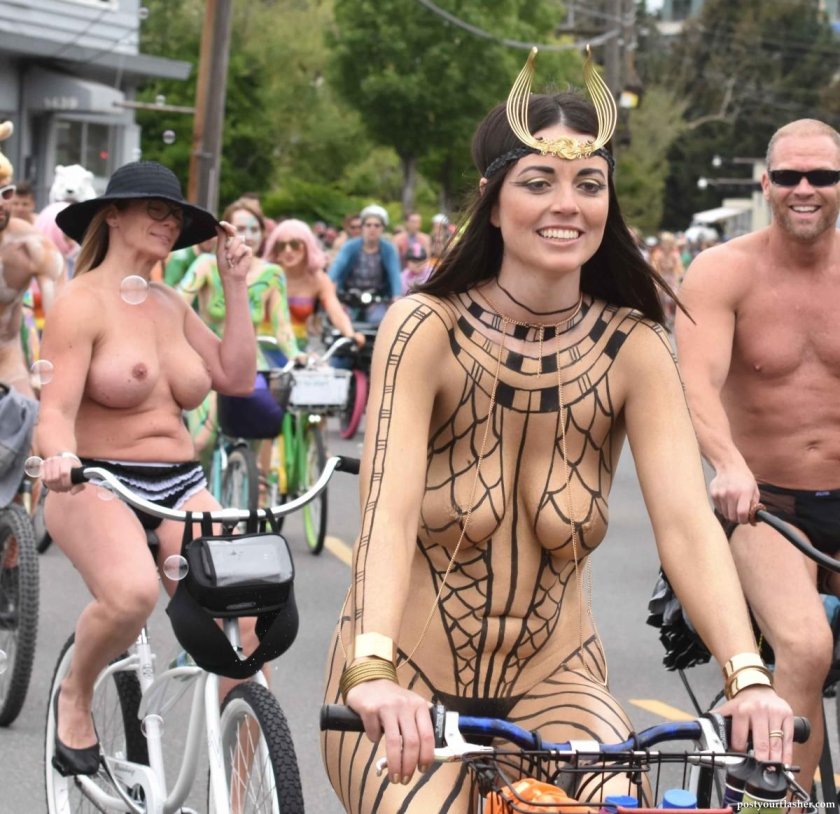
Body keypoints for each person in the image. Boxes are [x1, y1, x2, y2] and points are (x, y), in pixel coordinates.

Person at [321, 49, 794, 813]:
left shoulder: (634, 346)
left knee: (616, 805)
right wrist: (371, 671)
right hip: (406, 682)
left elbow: (685, 523)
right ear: (493, 199)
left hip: (559, 683)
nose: (566, 204)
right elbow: (388, 510)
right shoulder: (425, 328)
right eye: (538, 181)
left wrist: (748, 676)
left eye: (589, 183)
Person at [35, 160, 256, 777]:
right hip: (95, 480)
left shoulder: (170, 302)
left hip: (180, 485)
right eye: (155, 209)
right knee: (131, 594)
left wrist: (234, 287)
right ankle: (74, 693)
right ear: (114, 214)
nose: (169, 221)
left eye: (177, 215)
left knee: (251, 604)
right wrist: (61, 456)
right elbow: (54, 410)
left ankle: (246, 766)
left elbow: (235, 377)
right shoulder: (80, 302)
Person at [674, 117, 840, 794]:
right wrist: (728, 464)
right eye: (790, 176)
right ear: (765, 183)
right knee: (804, 645)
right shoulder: (722, 271)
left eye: (822, 176)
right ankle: (783, 810)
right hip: (766, 507)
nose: (806, 189)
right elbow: (695, 383)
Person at [0, 137, 64, 398]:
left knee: (34, 433)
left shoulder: (31, 247)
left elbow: (61, 316)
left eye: (6, 193)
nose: (2, 203)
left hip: (7, 364)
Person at [263, 218, 364, 349]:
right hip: (262, 352)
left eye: (294, 244)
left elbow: (336, 312)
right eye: (281, 246)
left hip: (299, 354)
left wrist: (351, 335)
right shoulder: (267, 275)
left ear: (307, 246)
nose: (288, 250)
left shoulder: (318, 279)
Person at [328, 204, 401, 325]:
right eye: (368, 225)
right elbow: (337, 267)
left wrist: (396, 296)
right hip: (349, 297)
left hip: (377, 299)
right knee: (340, 321)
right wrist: (327, 285)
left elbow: (395, 275)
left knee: (380, 321)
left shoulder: (389, 249)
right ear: (362, 227)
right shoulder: (349, 246)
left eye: (377, 225)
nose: (372, 229)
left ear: (383, 228)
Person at [648, 231, 684, 331]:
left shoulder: (675, 255)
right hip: (662, 277)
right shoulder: (658, 254)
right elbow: (654, 267)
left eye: (667, 243)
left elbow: (679, 268)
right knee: (662, 297)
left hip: (672, 278)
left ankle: (672, 316)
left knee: (673, 298)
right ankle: (664, 317)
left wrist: (680, 275)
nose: (665, 245)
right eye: (664, 242)